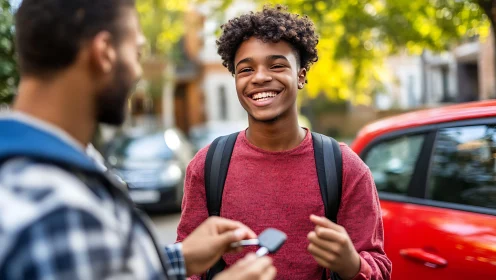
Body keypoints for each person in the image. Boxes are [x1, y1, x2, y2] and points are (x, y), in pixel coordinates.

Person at [0, 1, 276, 279]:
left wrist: (177, 258)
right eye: (137, 52)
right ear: (105, 52)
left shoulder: (45, 174)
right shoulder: (61, 212)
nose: (138, 72)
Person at [177, 5, 391, 280]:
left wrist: (352, 264)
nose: (260, 77)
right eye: (246, 69)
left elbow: (380, 268)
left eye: (277, 65)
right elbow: (186, 264)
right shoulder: (208, 165)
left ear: (301, 75)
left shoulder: (345, 168)